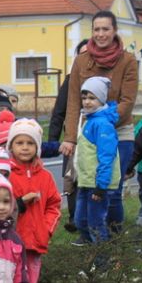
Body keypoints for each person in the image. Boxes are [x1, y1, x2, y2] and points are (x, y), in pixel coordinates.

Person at [62, 11, 138, 234]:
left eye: (106, 29)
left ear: (114, 31)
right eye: (97, 29)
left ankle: (114, 239)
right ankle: (90, 239)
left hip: (119, 130)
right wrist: (70, 138)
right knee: (87, 186)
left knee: (112, 189)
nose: (101, 34)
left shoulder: (128, 60)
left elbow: (127, 100)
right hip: (89, 132)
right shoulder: (81, 61)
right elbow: (73, 101)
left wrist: (104, 120)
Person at [6, 119, 61, 283]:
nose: (25, 147)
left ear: (37, 147)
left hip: (34, 245)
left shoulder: (45, 177)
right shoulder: (6, 173)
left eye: (30, 143)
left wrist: (46, 229)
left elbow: (54, 205)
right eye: (19, 142)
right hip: (9, 244)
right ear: (11, 146)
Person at [50, 40, 90, 232]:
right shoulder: (70, 80)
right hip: (73, 139)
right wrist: (52, 142)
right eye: (82, 54)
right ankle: (74, 218)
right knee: (71, 178)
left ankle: (91, 219)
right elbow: (59, 112)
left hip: (94, 138)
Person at [74, 77, 120, 245]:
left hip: (98, 184)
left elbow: (106, 156)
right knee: (80, 220)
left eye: (92, 98)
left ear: (102, 99)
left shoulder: (102, 124)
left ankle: (102, 257)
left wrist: (101, 186)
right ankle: (90, 252)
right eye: (84, 98)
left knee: (95, 223)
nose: (87, 102)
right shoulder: (90, 120)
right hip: (86, 182)